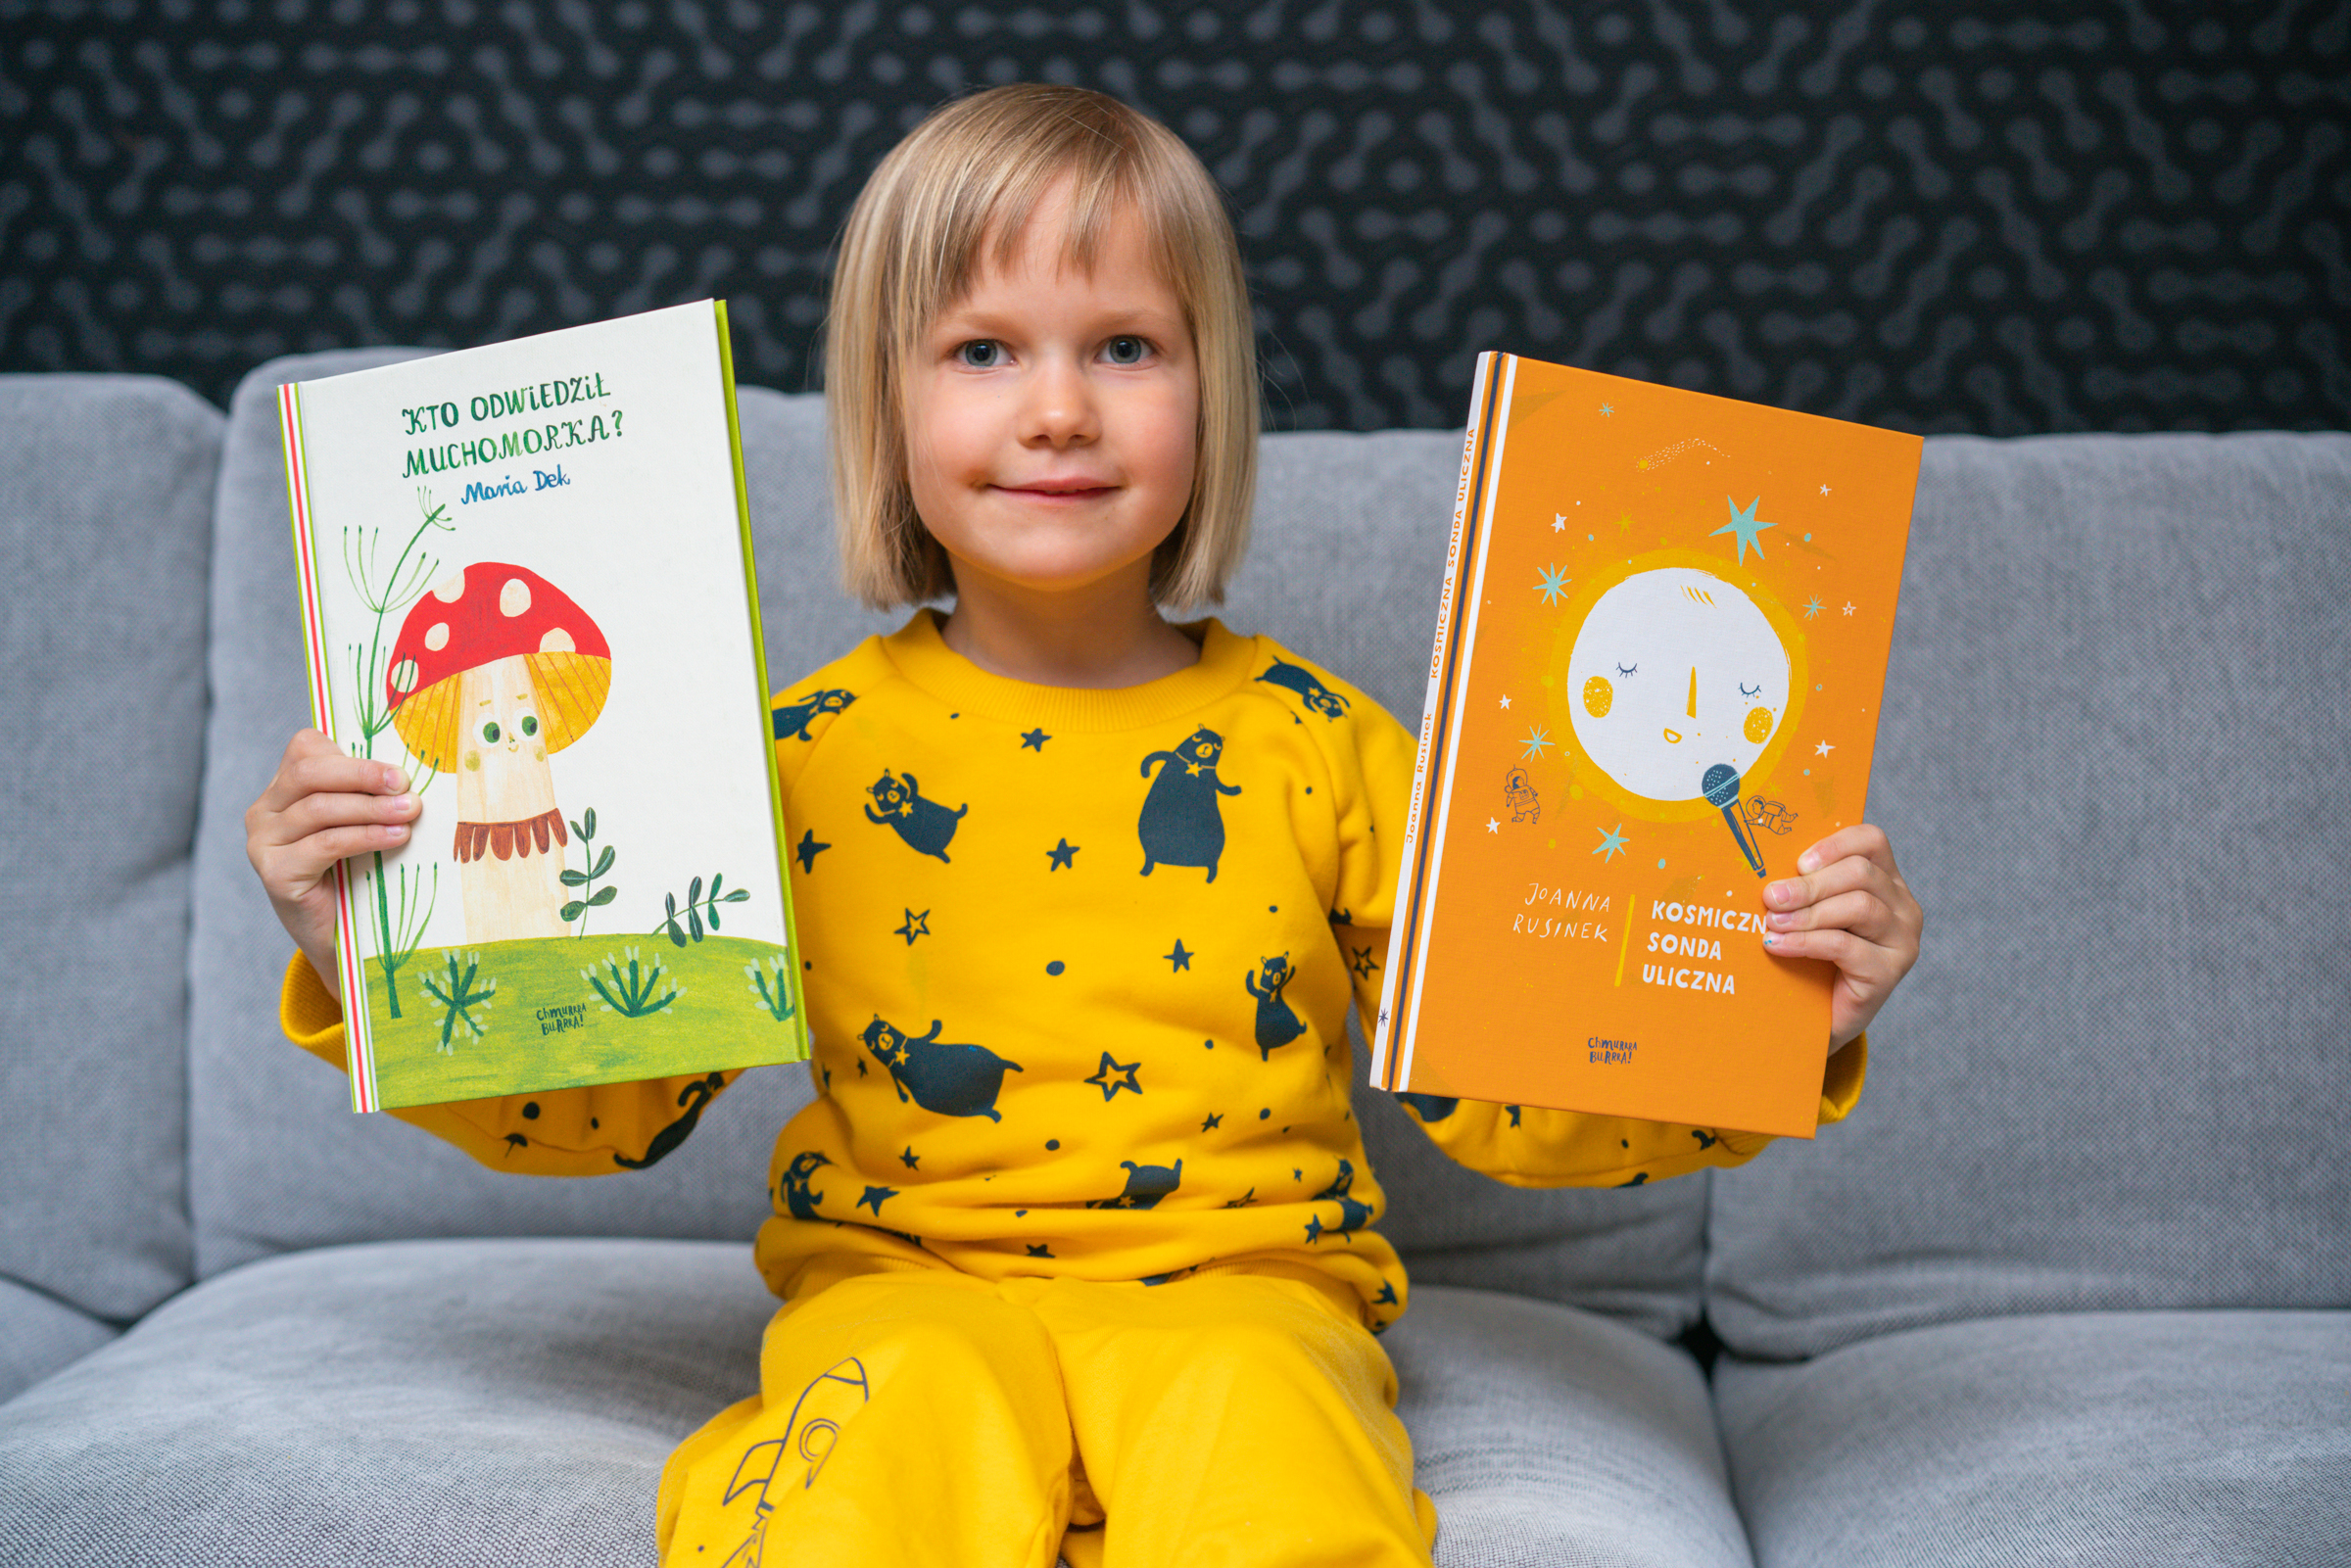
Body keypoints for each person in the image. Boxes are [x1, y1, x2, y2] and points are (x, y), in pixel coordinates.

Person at [245, 84, 1922, 1568]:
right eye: (983, 350)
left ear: (1211, 391)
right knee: (870, 1460)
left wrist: (1779, 1008)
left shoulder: (1324, 748)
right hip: (902, 1296)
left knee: (1272, 1457)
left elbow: (1514, 1084)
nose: (1058, 408)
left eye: (1124, 346)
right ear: (887, 408)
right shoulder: (785, 760)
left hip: (1252, 1298)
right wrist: (373, 951)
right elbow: (607, 1101)